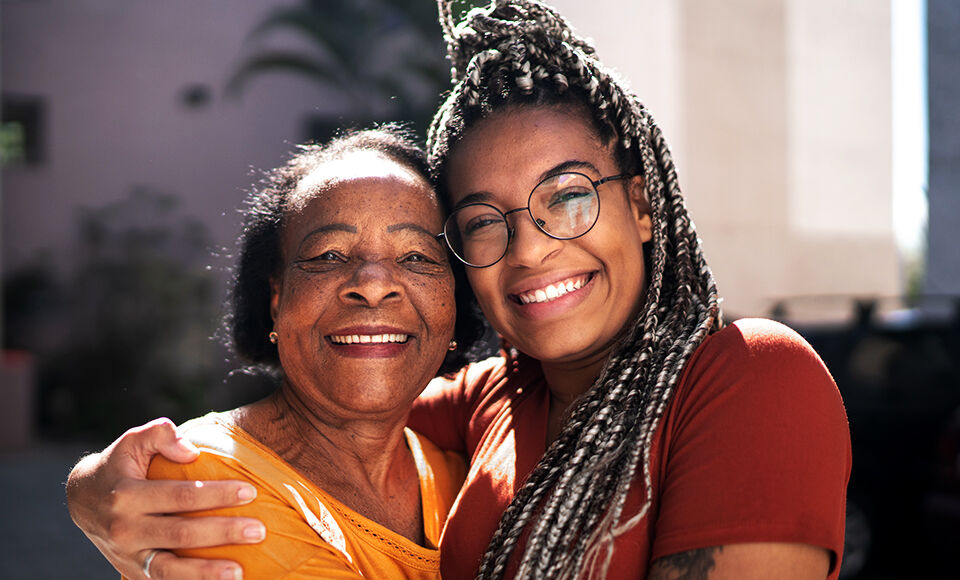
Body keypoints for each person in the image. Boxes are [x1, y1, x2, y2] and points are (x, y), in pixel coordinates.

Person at [67, 2, 851, 579]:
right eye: (483, 222)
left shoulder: (749, 379)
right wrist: (101, 487)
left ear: (643, 205)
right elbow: (340, 406)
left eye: (568, 196)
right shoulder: (499, 400)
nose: (532, 248)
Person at [75, 125, 490, 579]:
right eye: (329, 255)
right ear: (276, 299)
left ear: (454, 302)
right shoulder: (206, 478)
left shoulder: (467, 477)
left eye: (416, 257)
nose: (372, 285)